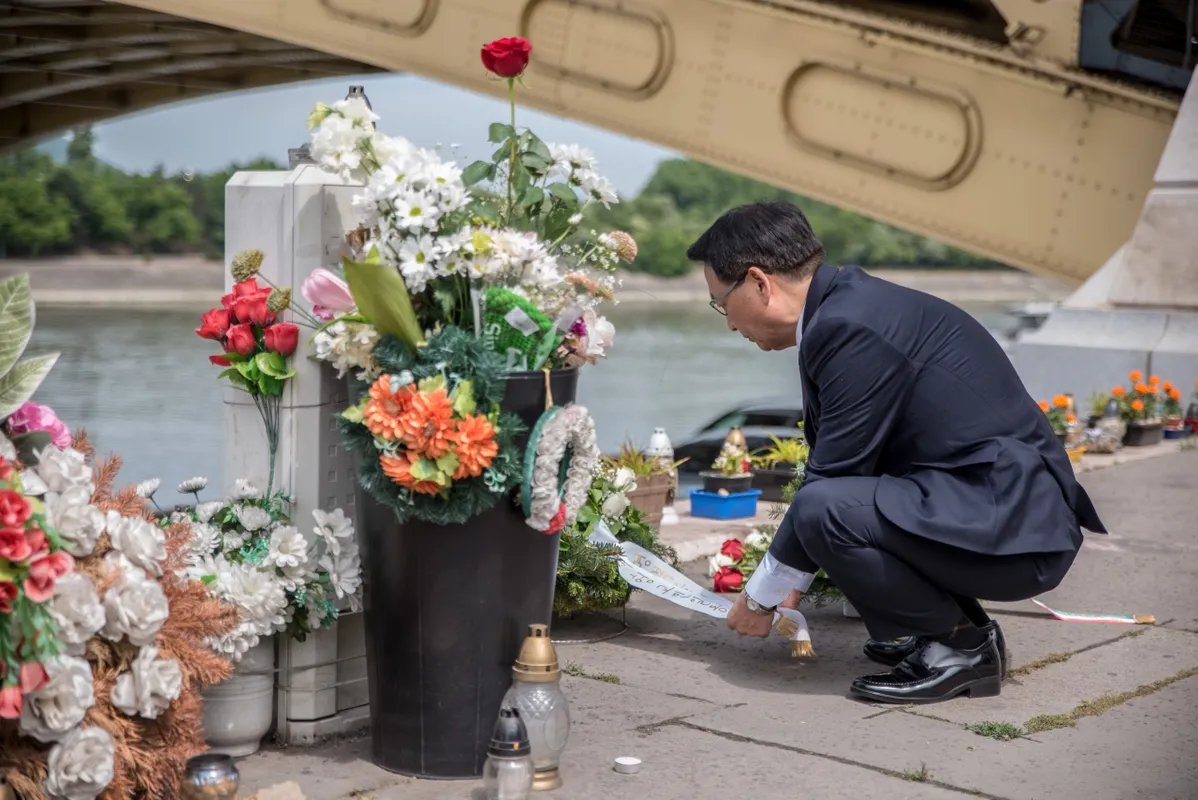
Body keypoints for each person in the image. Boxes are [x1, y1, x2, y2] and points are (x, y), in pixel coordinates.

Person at [686, 202, 1106, 704]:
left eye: (721, 303)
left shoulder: (848, 327)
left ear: (758, 282)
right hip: (1000, 510)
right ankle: (952, 630)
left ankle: (961, 649)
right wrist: (788, 575)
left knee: (823, 509)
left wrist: (762, 596)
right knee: (835, 505)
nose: (730, 324)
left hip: (1015, 529)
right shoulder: (850, 307)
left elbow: (832, 478)